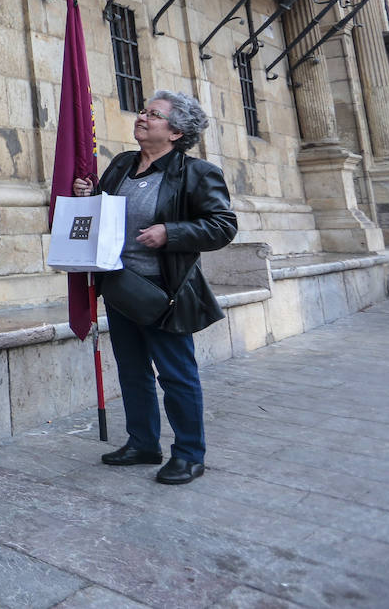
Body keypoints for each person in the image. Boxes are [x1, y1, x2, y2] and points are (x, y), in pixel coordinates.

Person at [73, 90, 237, 485]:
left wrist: (172, 232)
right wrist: (89, 196)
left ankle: (189, 454)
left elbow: (223, 226)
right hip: (120, 286)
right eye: (143, 111)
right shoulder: (122, 165)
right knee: (132, 371)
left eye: (154, 114)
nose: (142, 117)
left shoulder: (197, 173)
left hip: (165, 292)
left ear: (176, 132)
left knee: (176, 374)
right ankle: (143, 442)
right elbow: (112, 215)